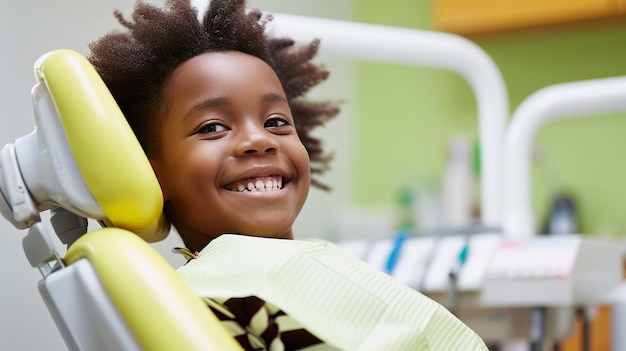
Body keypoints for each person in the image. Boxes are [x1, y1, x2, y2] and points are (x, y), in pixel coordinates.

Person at [88, 0, 488, 349]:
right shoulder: (219, 299)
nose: (258, 140)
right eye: (212, 127)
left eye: (277, 121)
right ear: (153, 173)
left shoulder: (299, 265)